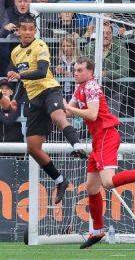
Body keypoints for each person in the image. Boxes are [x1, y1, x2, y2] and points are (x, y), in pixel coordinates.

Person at [64, 57, 135, 249]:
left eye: (79, 70)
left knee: (108, 182)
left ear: (90, 72)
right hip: (98, 140)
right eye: (75, 70)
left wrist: (68, 107)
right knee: (91, 187)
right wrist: (56, 103)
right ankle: (97, 230)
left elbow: (92, 114)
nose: (76, 73)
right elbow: (68, 112)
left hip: (106, 135)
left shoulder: (92, 87)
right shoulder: (80, 88)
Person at [7, 14, 87, 205]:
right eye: (24, 29)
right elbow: (23, 81)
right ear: (18, 31)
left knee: (58, 115)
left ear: (35, 31)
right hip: (34, 99)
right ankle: (60, 181)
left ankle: (77, 146)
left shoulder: (40, 45)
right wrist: (15, 99)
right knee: (33, 148)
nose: (27, 32)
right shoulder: (15, 53)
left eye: (30, 29)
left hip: (49, 89)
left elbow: (41, 71)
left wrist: (19, 75)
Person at [0, 78, 24, 143]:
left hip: (15, 144)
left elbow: (8, 121)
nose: (4, 90)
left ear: (11, 92)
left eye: (7, 88)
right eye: (1, 88)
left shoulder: (15, 104)